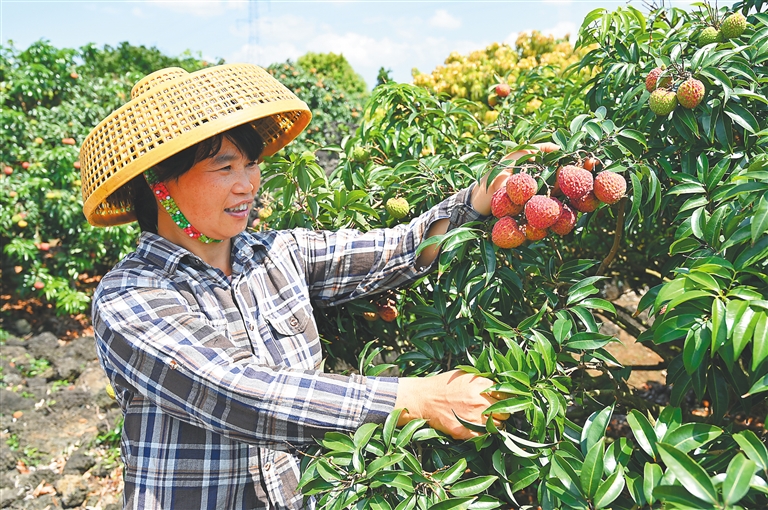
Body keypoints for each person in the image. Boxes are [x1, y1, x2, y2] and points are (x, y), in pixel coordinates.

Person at [80, 63, 555, 509]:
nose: (248, 185)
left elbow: (401, 249)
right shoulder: (130, 296)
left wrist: (477, 198)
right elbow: (238, 391)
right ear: (159, 185)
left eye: (251, 164)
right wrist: (413, 398)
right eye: (224, 168)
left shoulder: (278, 254)